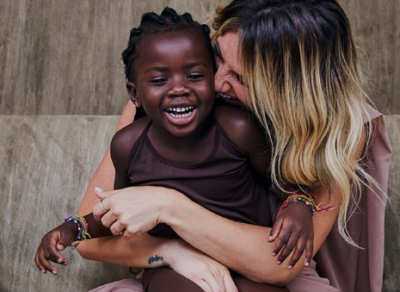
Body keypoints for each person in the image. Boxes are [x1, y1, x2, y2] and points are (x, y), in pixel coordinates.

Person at [47, 0, 392, 291]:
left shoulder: (341, 128)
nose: (216, 80)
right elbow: (90, 239)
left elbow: (278, 265)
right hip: (173, 274)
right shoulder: (166, 103)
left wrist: (170, 205)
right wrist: (169, 251)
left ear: (293, 91)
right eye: (216, 56)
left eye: (241, 78)